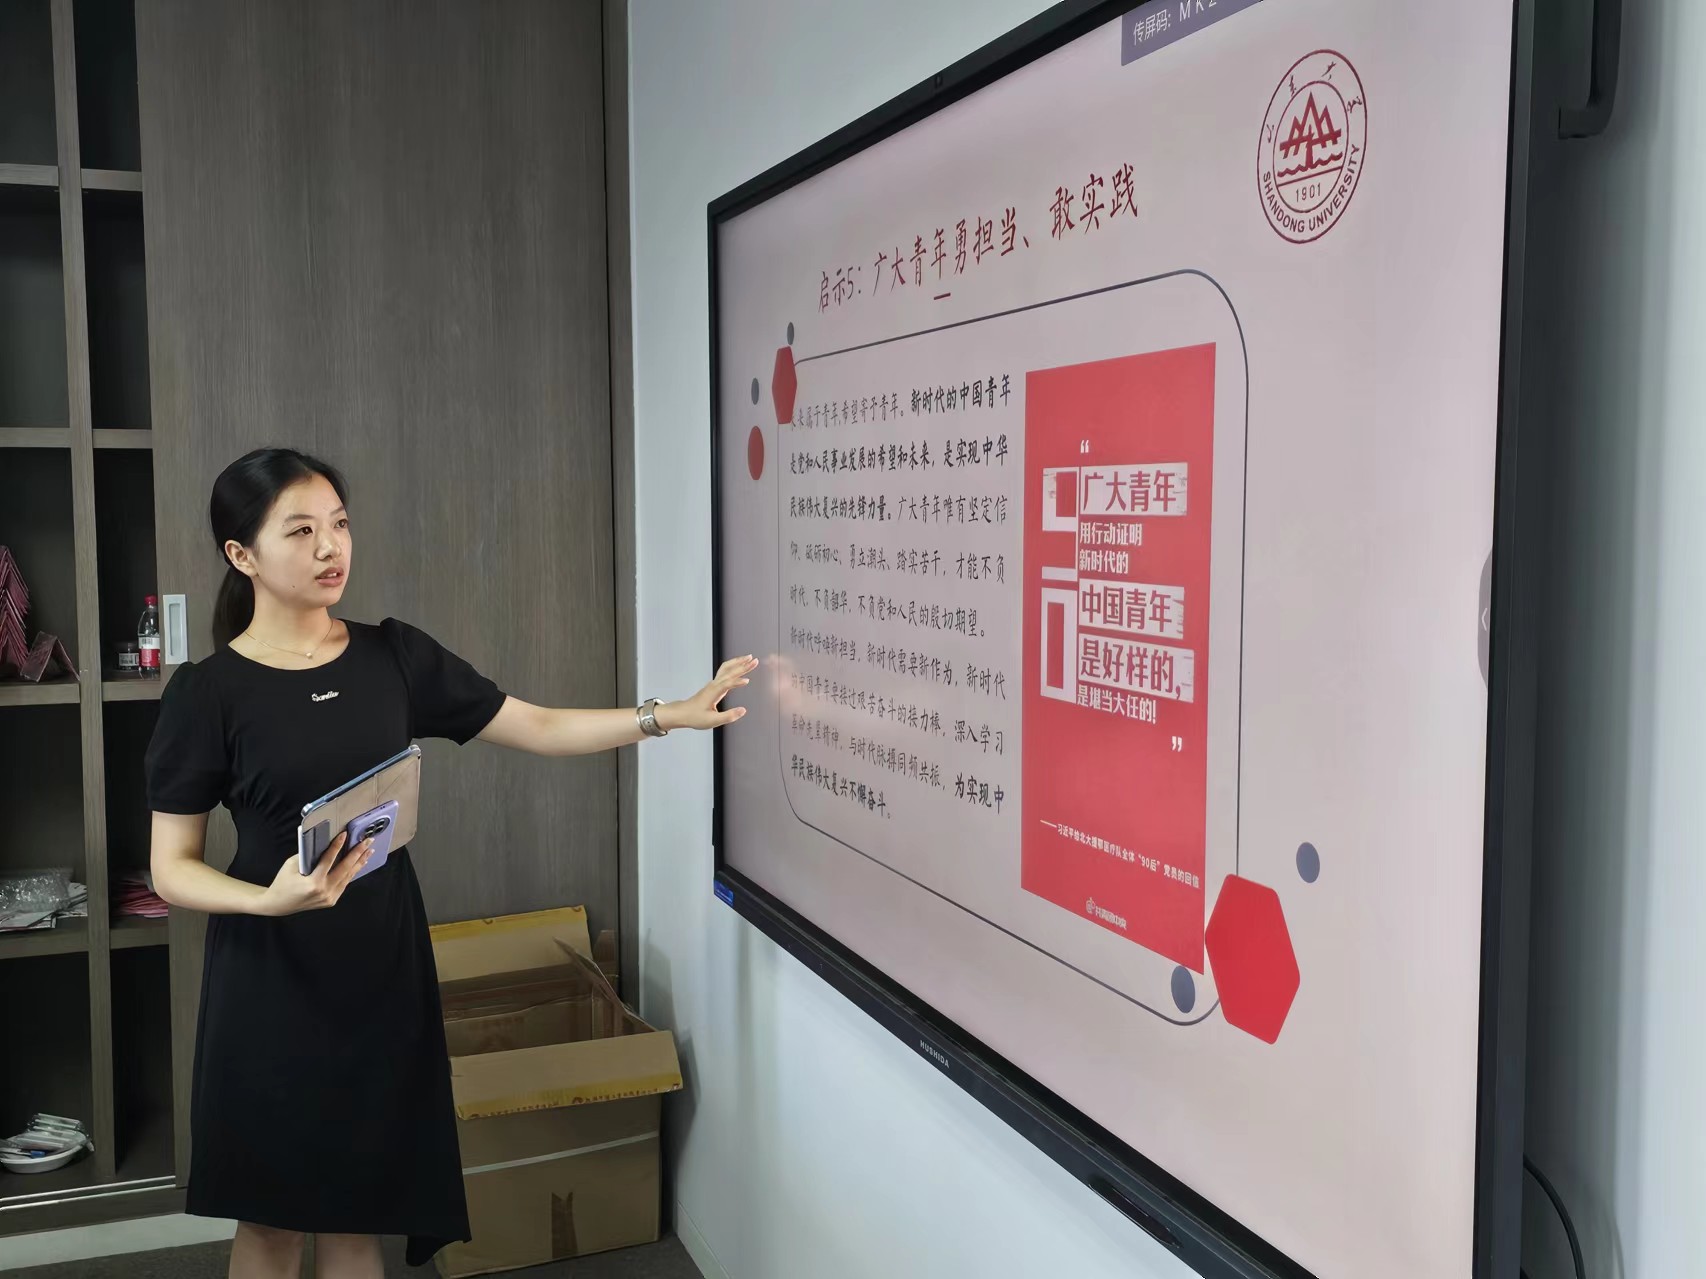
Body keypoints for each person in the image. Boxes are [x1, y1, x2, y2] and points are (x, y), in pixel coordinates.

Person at [144, 447, 754, 1279]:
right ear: (241, 555)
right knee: (273, 1222)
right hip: (269, 974)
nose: (331, 547)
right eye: (301, 530)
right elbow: (171, 867)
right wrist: (266, 900)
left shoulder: (392, 655)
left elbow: (536, 725)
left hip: (380, 964)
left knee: (359, 1215)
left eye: (339, 524)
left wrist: (666, 715)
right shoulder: (207, 692)